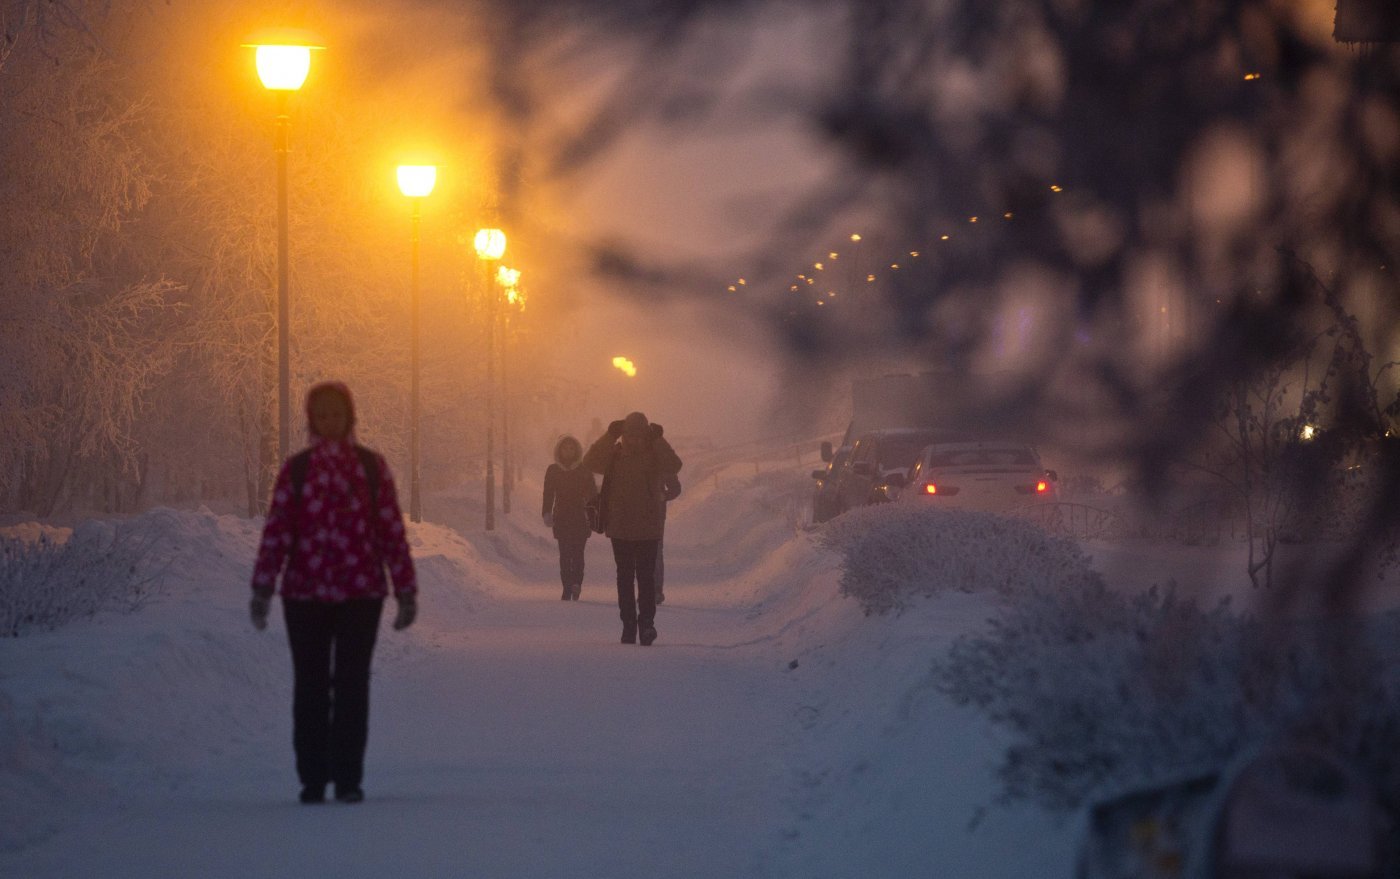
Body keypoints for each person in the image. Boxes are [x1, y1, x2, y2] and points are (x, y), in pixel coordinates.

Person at [249, 381, 417, 805]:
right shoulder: (297, 469)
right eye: (320, 414)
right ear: (311, 419)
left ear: (349, 417)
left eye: (335, 413)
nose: (328, 421)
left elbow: (391, 530)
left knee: (351, 686)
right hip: (304, 596)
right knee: (310, 686)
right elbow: (278, 530)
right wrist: (263, 587)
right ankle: (311, 778)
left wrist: (406, 590)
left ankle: (347, 779)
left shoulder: (371, 468)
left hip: (361, 595)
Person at [582, 411, 682, 646]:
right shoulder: (615, 456)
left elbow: (674, 465)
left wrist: (658, 440)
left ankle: (646, 624)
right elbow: (590, 461)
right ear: (623, 435)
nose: (634, 440)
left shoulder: (654, 456)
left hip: (647, 528)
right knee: (625, 578)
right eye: (629, 435)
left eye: (639, 435)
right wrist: (608, 436)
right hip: (621, 528)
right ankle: (629, 625)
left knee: (645, 578)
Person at [542, 435, 598, 600]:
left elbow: (592, 494)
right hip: (562, 517)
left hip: (581, 517)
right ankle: (567, 586)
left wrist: (593, 513)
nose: (568, 451)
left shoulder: (584, 470)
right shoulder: (553, 470)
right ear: (559, 450)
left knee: (578, 553)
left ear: (576, 451)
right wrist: (546, 512)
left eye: (571, 448)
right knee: (565, 553)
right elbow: (548, 493)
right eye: (565, 448)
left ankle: (576, 584)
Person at [651, 423, 682, 605]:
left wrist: (663, 496)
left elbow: (676, 487)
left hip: (656, 512)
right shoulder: (632, 458)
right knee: (644, 553)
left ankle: (655, 591)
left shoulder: (663, 461)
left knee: (655, 552)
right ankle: (649, 590)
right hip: (637, 512)